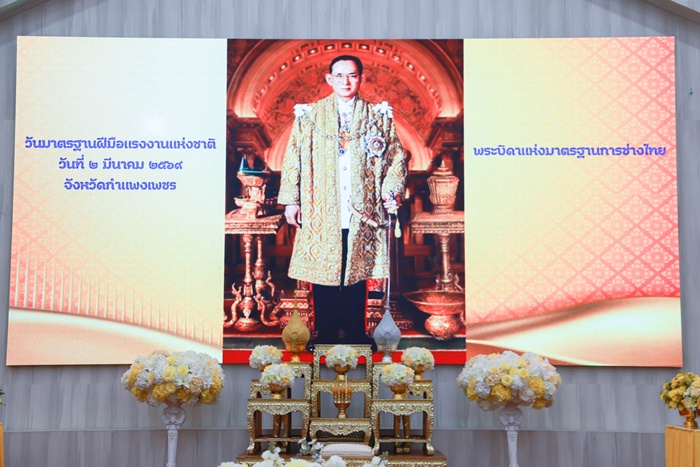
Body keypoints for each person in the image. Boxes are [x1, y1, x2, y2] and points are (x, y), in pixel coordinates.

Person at [278, 55, 407, 345]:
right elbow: (292, 158)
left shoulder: (378, 115)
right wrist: (291, 201)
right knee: (325, 271)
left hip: (362, 208)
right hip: (321, 205)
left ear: (361, 79)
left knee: (356, 270)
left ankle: (354, 332)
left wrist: (390, 191)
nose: (346, 81)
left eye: (352, 75)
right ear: (329, 79)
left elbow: (396, 157)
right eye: (339, 75)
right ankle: (324, 331)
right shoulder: (310, 115)